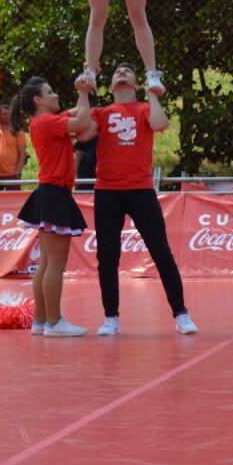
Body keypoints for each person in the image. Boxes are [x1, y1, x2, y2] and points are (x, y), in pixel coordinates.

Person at [87, 63, 197, 336]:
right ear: (111, 86)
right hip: (107, 191)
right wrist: (85, 88)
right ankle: (110, 317)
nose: (121, 74)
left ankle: (181, 313)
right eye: (116, 73)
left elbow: (160, 124)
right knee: (107, 257)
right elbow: (83, 133)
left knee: (161, 252)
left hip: (140, 189)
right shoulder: (101, 112)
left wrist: (152, 93)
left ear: (136, 84)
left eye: (127, 72)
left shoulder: (145, 109)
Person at [11, 75, 95, 337]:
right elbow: (82, 121)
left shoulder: (46, 120)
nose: (56, 94)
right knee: (56, 263)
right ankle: (54, 322)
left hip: (50, 192)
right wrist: (83, 91)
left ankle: (41, 321)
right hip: (54, 193)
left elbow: (80, 114)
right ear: (38, 100)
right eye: (50, 91)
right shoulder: (46, 121)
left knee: (48, 262)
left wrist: (88, 79)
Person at [0, 103, 26, 191]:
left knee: (13, 202)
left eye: (9, 114)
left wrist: (18, 171)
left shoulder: (18, 132)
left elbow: (22, 154)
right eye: (5, 114)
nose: (8, 116)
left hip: (11, 175)